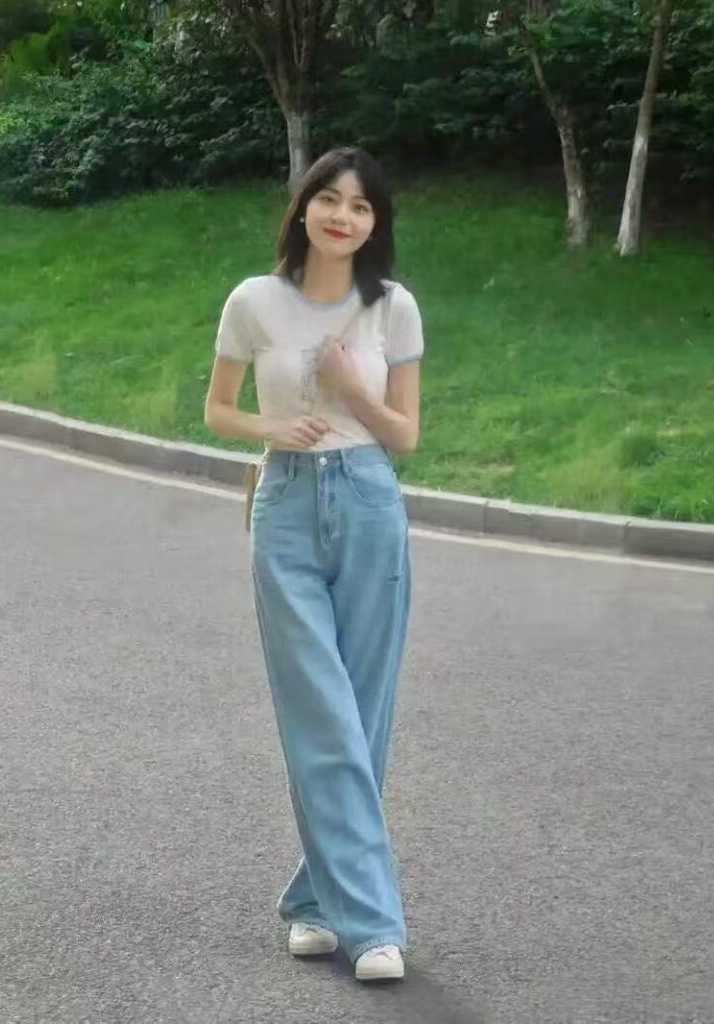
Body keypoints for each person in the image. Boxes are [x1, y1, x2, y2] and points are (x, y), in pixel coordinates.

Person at [204, 146, 424, 982]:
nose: (343, 216)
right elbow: (218, 409)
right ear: (303, 207)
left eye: (362, 206)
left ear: (375, 224)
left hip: (369, 502)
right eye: (330, 199)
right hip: (286, 508)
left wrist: (349, 386)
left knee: (362, 718)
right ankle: (374, 926)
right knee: (321, 715)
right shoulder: (253, 301)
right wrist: (271, 429)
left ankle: (314, 901)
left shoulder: (393, 307)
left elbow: (405, 436)